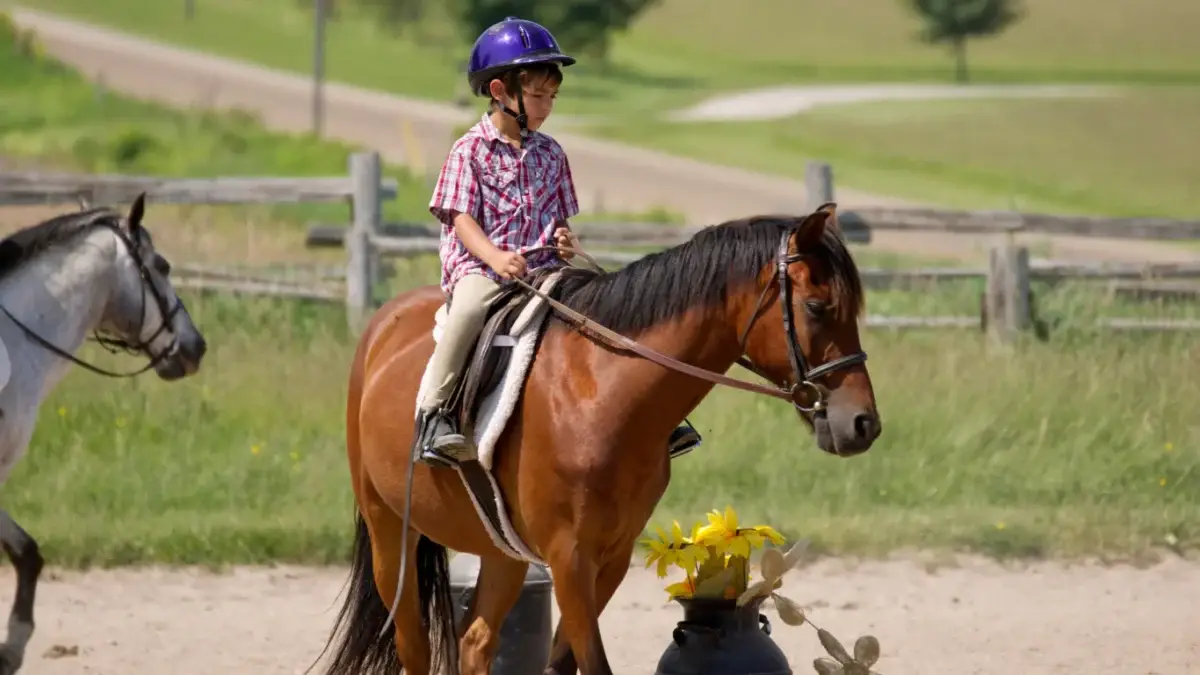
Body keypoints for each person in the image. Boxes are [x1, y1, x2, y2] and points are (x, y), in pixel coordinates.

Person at [415, 16, 701, 468]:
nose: (547, 106)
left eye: (552, 97)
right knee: (468, 310)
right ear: (498, 91)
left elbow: (559, 217)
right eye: (537, 95)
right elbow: (460, 218)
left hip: (547, 268)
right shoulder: (469, 150)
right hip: (486, 269)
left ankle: (657, 417)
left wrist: (565, 240)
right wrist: (494, 256)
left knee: (614, 306)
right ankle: (434, 414)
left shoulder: (551, 152)